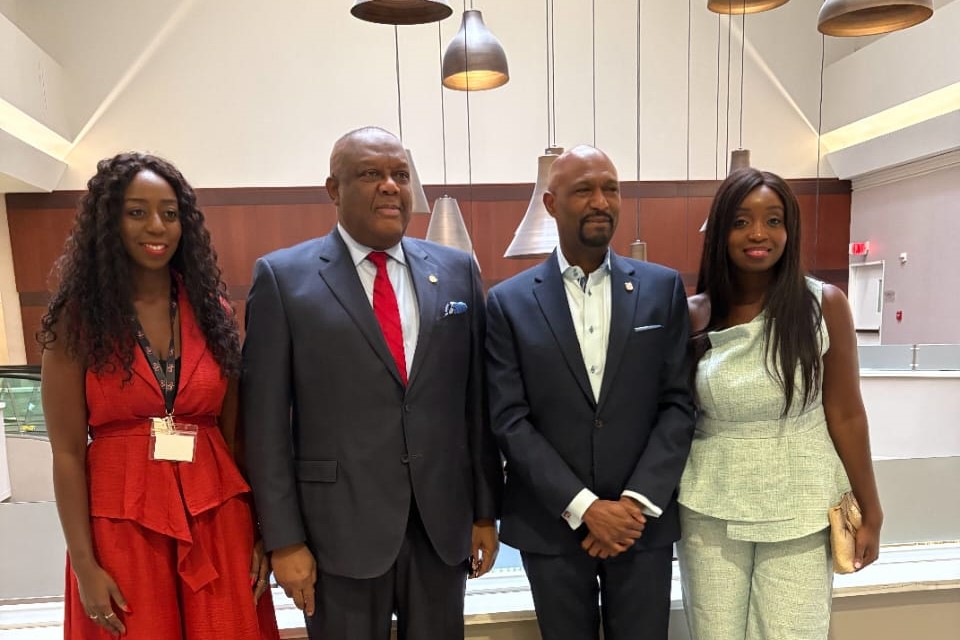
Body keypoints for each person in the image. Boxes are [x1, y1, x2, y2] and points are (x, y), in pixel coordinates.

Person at [241, 126, 503, 640]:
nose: (390, 186)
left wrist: (484, 512)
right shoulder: (283, 279)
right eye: (370, 174)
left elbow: (476, 406)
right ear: (333, 190)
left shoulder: (456, 271)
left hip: (440, 528)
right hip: (336, 534)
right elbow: (264, 425)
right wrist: (284, 540)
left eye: (400, 175)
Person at [39, 153, 279, 639]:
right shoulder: (77, 318)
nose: (157, 226)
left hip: (217, 518)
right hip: (121, 527)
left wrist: (261, 531)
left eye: (170, 213)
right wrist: (84, 564)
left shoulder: (211, 309)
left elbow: (235, 436)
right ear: (109, 222)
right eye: (137, 212)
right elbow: (66, 453)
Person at [485, 145, 696, 640]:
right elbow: (509, 419)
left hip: (640, 525)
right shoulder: (507, 303)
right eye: (584, 190)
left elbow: (678, 404)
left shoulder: (662, 289)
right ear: (551, 203)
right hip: (551, 525)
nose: (601, 201)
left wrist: (632, 506)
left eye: (611, 189)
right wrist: (585, 507)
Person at [677, 168, 883, 640]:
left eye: (773, 220)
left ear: (789, 231)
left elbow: (847, 415)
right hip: (710, 503)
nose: (758, 234)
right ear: (721, 231)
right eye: (741, 221)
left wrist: (871, 508)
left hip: (802, 503)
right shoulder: (694, 314)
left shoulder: (824, 305)